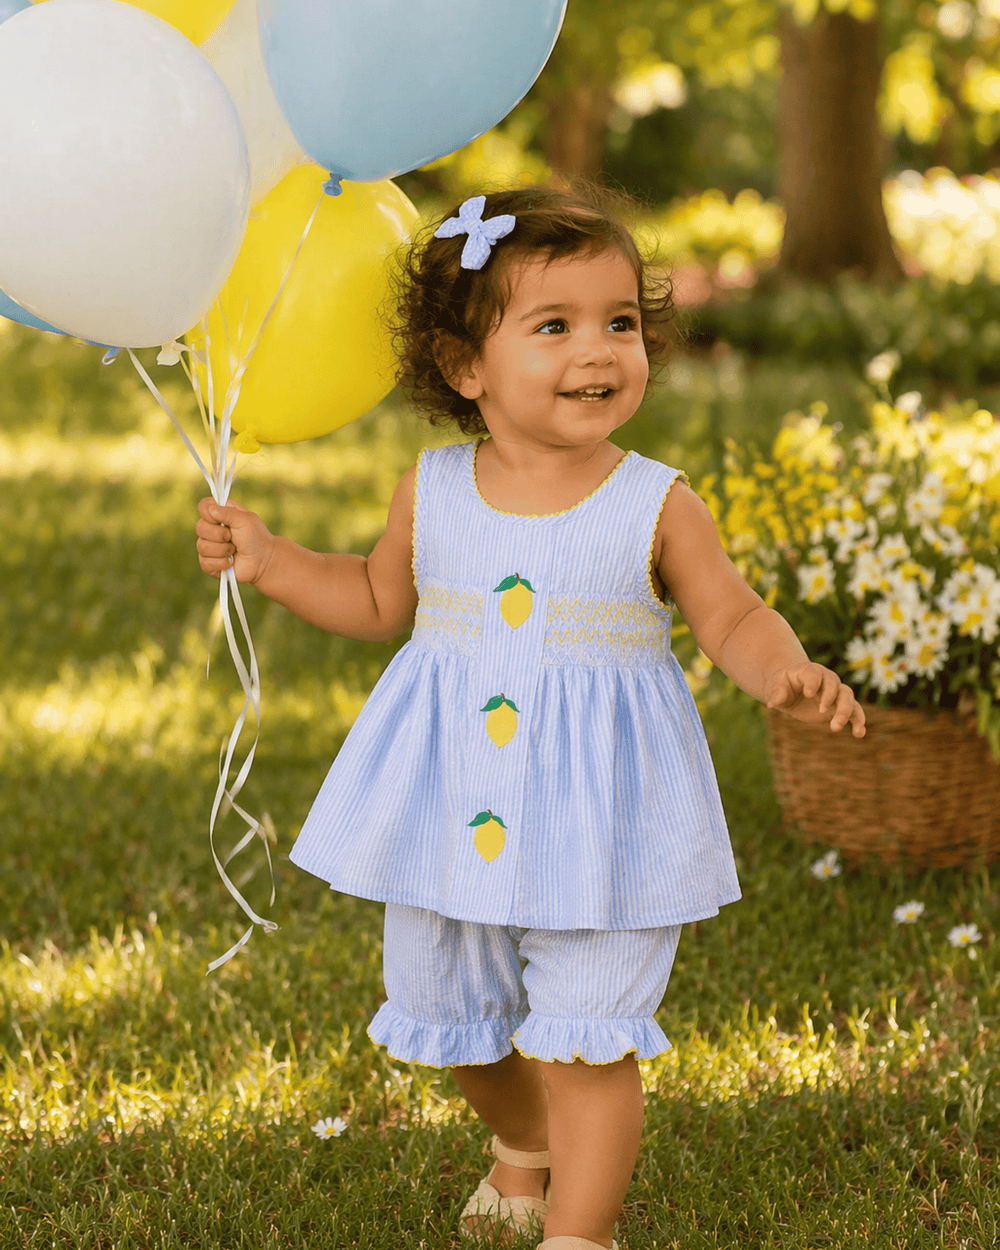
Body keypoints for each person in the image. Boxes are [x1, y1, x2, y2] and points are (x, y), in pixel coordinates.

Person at [195, 183, 866, 1250]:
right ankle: (523, 1139)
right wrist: (272, 560)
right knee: (452, 1015)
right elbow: (376, 598)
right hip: (448, 801)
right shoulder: (434, 488)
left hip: (603, 817)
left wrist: (780, 668)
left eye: (620, 324)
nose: (596, 351)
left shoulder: (655, 501)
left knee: (586, 1039)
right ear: (466, 367)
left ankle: (579, 1231)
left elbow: (731, 614)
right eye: (553, 326)